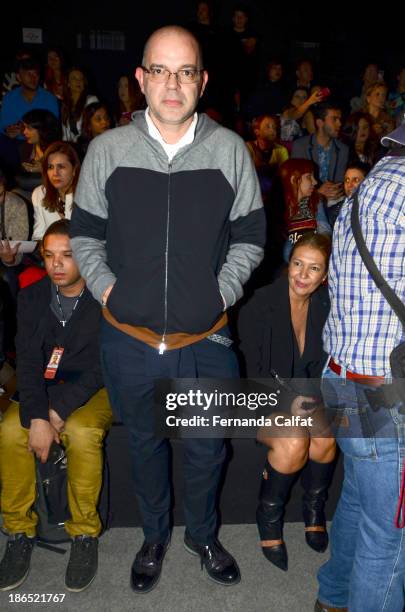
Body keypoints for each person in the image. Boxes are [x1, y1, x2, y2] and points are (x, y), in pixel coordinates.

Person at [70, 25, 265, 593]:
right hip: (126, 339)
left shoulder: (229, 150)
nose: (172, 83)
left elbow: (252, 237)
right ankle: (154, 536)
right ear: (141, 79)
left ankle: (201, 535)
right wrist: (109, 292)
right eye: (160, 70)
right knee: (146, 447)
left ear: (202, 81)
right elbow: (85, 236)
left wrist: (219, 293)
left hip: (204, 341)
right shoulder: (107, 150)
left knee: (207, 452)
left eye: (185, 71)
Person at [315, 124, 405, 612]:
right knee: (391, 533)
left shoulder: (369, 185)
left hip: (344, 375)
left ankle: (332, 598)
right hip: (386, 394)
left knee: (358, 499)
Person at [0, 219, 112, 592]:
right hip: (43, 389)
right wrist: (36, 416)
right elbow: (28, 363)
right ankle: (18, 532)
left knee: (81, 432)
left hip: (94, 389)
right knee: (9, 430)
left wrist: (53, 413)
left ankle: (84, 535)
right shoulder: (32, 298)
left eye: (67, 255)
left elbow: (102, 366)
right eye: (49, 256)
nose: (57, 264)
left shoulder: (104, 298)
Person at [238, 232, 334, 570]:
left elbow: (321, 369)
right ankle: (269, 516)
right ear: (288, 263)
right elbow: (249, 373)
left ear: (325, 276)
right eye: (297, 264)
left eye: (313, 269)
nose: (302, 275)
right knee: (294, 439)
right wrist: (287, 401)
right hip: (256, 398)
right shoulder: (259, 303)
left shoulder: (324, 306)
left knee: (325, 436)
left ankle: (314, 508)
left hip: (302, 398)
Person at [279, 158, 331, 261]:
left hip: (314, 251)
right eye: (309, 177)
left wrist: (319, 245)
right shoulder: (278, 206)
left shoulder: (315, 201)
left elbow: (324, 228)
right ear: (294, 179)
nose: (315, 182)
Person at [0, 57, 59, 140]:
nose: (33, 78)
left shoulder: (49, 98)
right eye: (29, 74)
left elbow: (53, 129)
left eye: (36, 74)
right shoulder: (9, 98)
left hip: (40, 143)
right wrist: (8, 130)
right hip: (14, 143)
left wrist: (24, 129)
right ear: (19, 77)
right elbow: (3, 125)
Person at [246, 115, 288, 199]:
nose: (272, 130)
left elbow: (285, 174)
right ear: (257, 132)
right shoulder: (247, 148)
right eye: (267, 127)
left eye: (274, 127)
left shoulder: (281, 150)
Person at [61, 68, 98, 142]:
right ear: (68, 83)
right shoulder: (65, 105)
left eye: (81, 79)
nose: (78, 81)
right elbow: (65, 134)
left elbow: (92, 129)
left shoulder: (91, 100)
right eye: (74, 78)